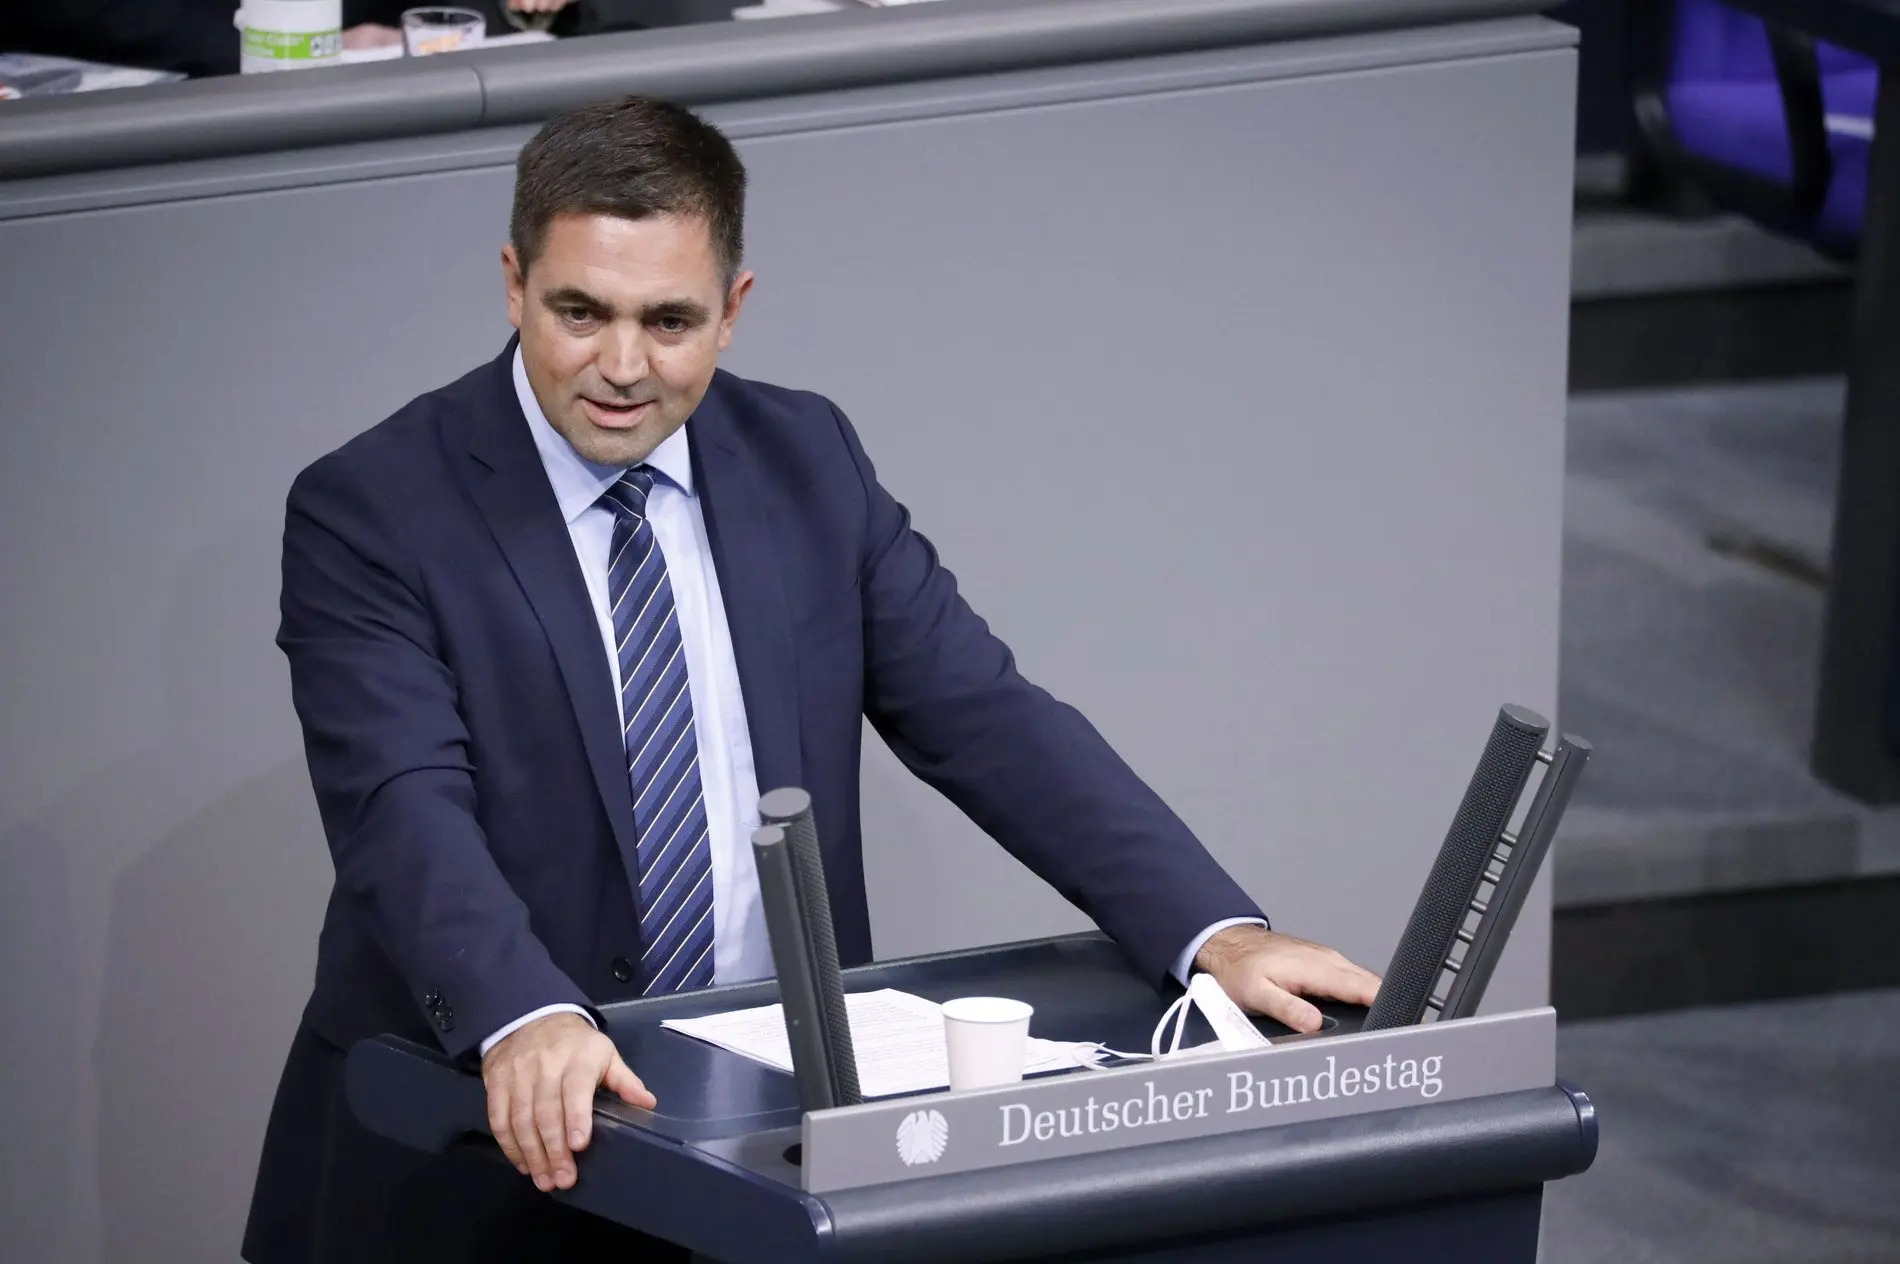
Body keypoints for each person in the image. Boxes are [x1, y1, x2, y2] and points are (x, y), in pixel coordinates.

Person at [241, 94, 1382, 1264]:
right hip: (485, 1143)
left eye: (669, 321)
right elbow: (401, 808)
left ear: (733, 311)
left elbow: (983, 715)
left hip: (775, 1149)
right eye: (580, 311)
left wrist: (1214, 931)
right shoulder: (373, 506)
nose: (622, 366)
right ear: (512, 282)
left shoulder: (808, 458)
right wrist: (523, 1014)